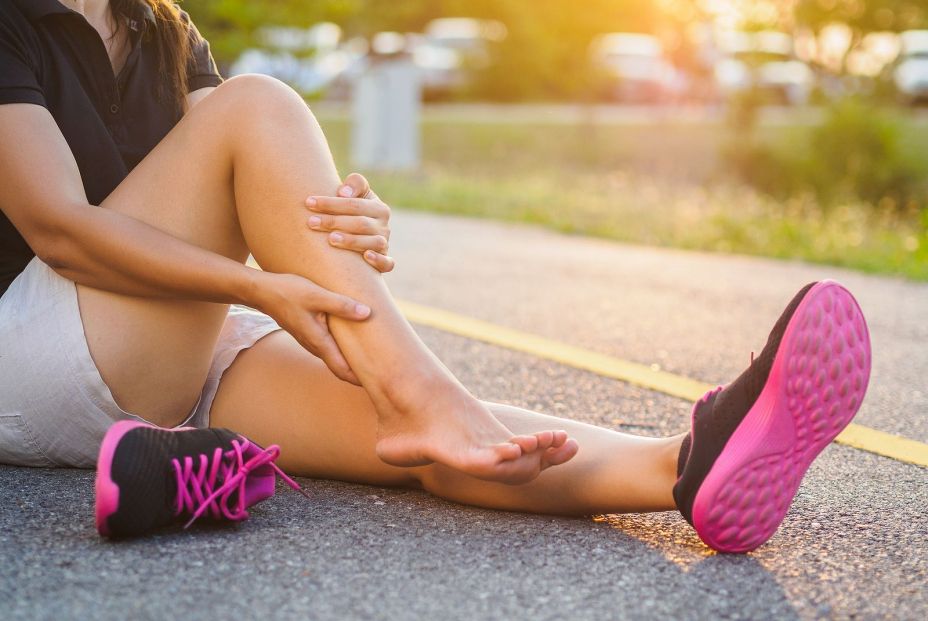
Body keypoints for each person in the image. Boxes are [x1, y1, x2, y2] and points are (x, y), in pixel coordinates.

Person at [0, 0, 871, 552]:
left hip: (163, 344)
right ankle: (423, 392)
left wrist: (348, 220)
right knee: (260, 104)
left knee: (404, 435)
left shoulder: (164, 27)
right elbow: (60, 229)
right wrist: (262, 288)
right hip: (32, 344)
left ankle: (683, 468)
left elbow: (236, 184)